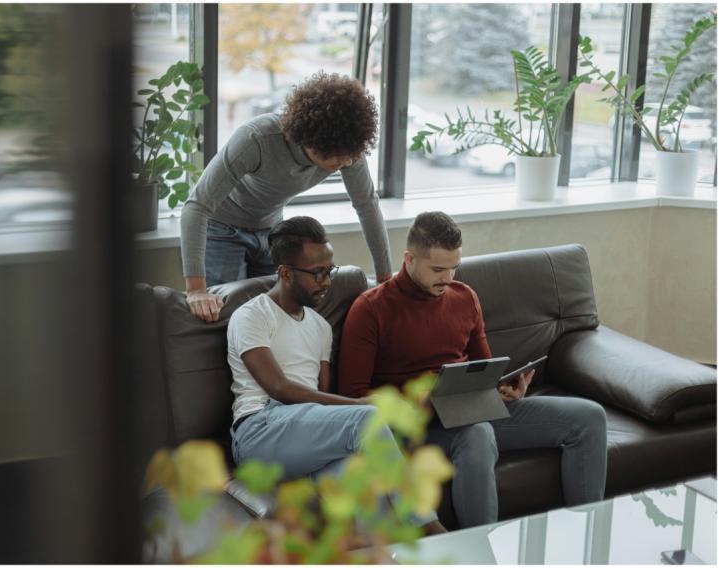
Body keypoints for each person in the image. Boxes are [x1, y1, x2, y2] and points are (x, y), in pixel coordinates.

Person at [338, 211, 608, 529]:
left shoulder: (465, 298)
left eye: (454, 267)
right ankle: (480, 552)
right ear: (409, 259)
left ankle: (586, 539)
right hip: (412, 426)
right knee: (477, 433)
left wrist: (506, 390)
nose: (448, 278)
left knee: (589, 418)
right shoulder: (371, 309)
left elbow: (484, 370)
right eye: (438, 269)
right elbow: (350, 397)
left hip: (467, 410)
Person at [227, 216, 444, 534]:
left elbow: (322, 401)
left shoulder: (320, 327)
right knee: (367, 418)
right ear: (285, 273)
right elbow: (279, 387)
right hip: (259, 431)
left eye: (330, 271)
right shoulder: (251, 316)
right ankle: (431, 526)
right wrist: (360, 407)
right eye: (317, 274)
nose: (326, 281)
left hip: (305, 436)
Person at [181, 71, 392, 323]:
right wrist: (195, 290)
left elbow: (367, 206)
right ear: (309, 138)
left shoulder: (346, 150)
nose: (343, 163)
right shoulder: (257, 138)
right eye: (335, 156)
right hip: (221, 229)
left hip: (271, 231)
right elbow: (196, 206)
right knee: (228, 316)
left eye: (349, 155)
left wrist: (385, 280)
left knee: (278, 317)